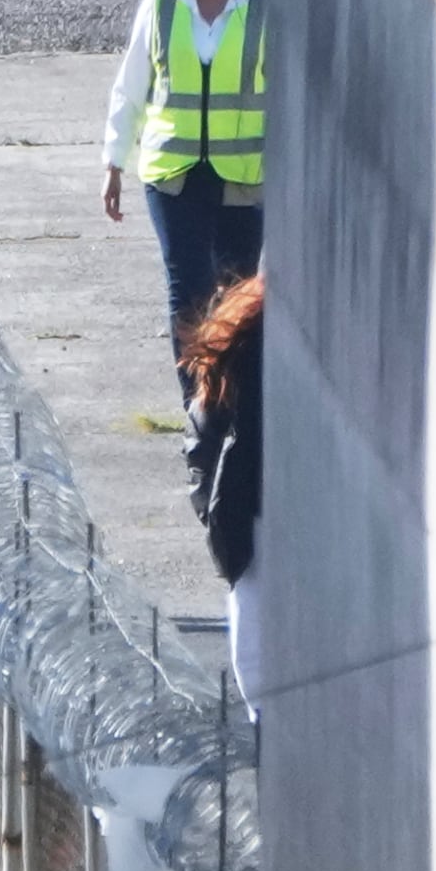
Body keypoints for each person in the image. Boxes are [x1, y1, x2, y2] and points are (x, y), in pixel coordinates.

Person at [103, 0, 266, 397]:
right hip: (172, 174)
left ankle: (232, 394)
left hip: (242, 174)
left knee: (237, 293)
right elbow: (130, 88)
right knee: (188, 286)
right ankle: (196, 401)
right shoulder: (161, 5)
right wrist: (113, 162)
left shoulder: (267, 5)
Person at [184, 273, 264, 720]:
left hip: (251, 519)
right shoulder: (250, 332)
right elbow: (205, 434)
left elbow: (201, 440)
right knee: (259, 671)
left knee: (257, 670)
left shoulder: (247, 323)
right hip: (256, 518)